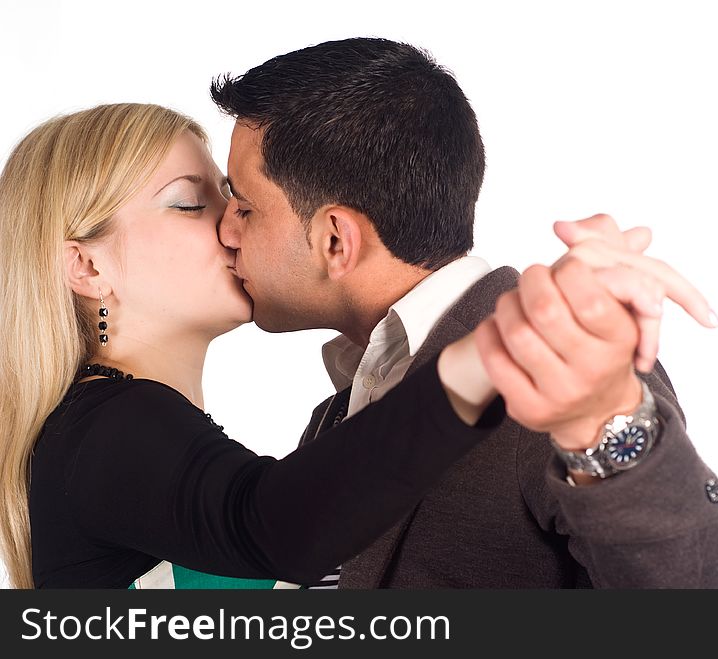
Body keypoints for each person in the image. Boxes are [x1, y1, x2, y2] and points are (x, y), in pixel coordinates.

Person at [211, 37, 718, 588]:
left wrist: (607, 419)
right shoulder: (347, 406)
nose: (225, 230)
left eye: (244, 204)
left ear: (336, 241)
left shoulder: (554, 357)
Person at [0, 103, 628, 589]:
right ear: (86, 268)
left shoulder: (121, 430)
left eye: (234, 197)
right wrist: (490, 351)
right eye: (190, 203)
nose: (231, 223)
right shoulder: (111, 426)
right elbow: (279, 525)